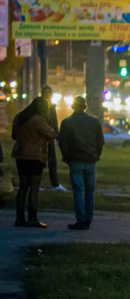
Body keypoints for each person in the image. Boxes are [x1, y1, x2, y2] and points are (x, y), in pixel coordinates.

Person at [57, 96, 105, 230]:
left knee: (78, 192)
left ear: (73, 106)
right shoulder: (94, 122)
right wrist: (96, 155)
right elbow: (100, 142)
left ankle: (81, 220)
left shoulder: (67, 122)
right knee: (90, 192)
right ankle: (88, 220)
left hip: (75, 160)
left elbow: (62, 143)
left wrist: (66, 157)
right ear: (85, 107)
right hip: (91, 161)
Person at [12, 96, 57, 228]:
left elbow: (14, 136)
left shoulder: (19, 117)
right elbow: (52, 134)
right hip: (35, 157)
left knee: (23, 187)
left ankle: (19, 218)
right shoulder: (38, 120)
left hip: (21, 156)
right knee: (34, 188)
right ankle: (32, 218)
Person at [41, 85, 67, 192]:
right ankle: (37, 183)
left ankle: (55, 183)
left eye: (49, 93)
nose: (47, 95)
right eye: (45, 93)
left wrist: (57, 135)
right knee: (40, 161)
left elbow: (55, 122)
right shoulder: (40, 106)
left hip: (50, 137)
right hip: (41, 137)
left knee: (52, 161)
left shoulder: (51, 107)